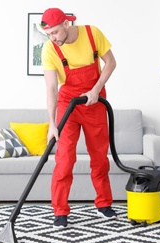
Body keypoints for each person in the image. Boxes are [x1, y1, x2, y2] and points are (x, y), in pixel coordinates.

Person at [40, 7, 117, 228]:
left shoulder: (93, 34)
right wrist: (52, 124)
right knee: (64, 160)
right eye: (49, 34)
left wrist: (96, 89)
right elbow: (52, 88)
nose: (52, 38)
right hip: (68, 104)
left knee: (99, 157)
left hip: (95, 102)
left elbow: (111, 63)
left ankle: (104, 205)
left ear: (66, 24)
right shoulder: (49, 49)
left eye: (54, 32)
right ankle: (60, 211)